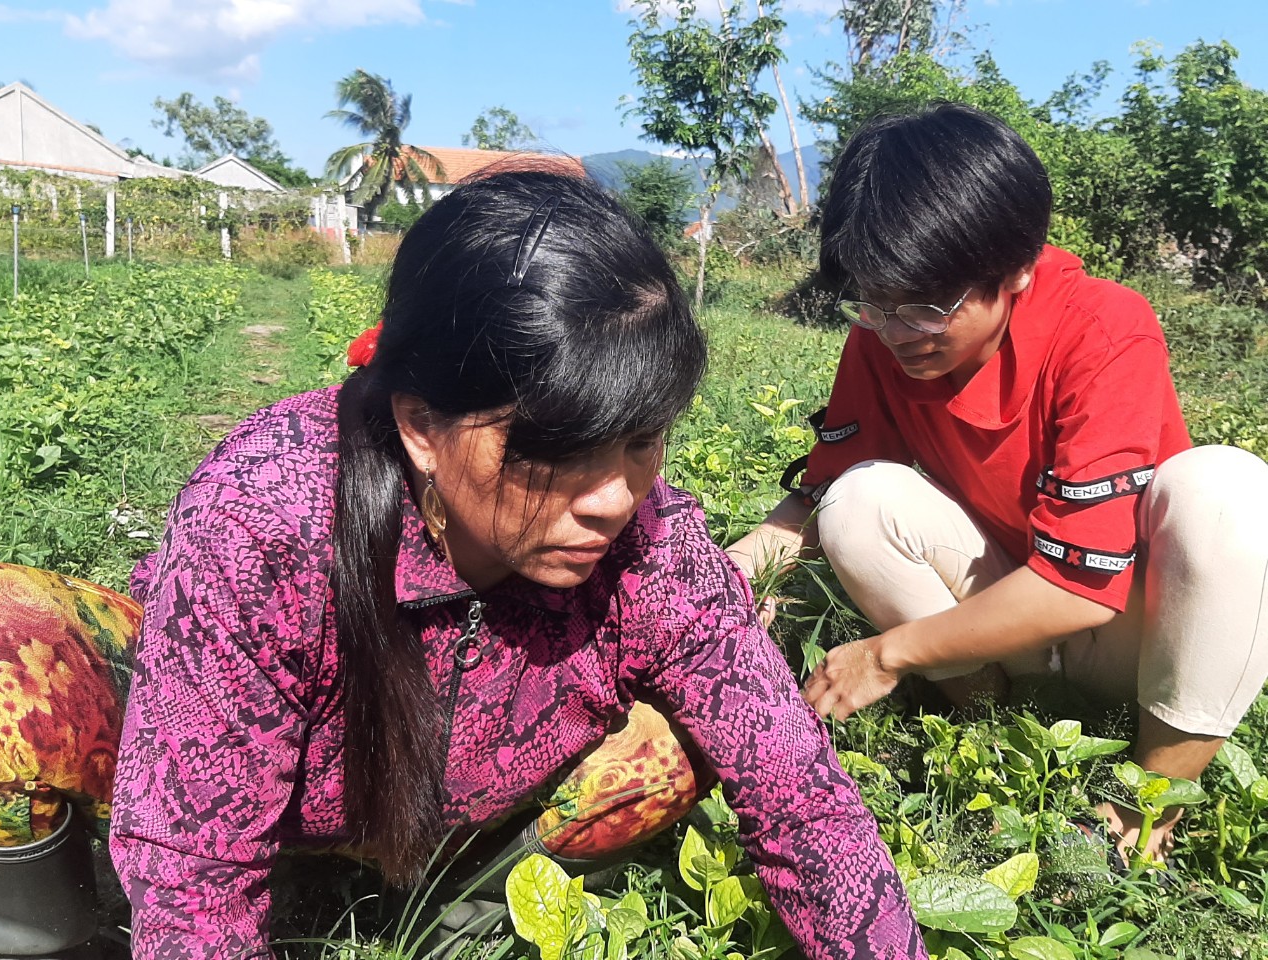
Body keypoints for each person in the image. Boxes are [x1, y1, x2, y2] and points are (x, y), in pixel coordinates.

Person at [107, 169, 926, 959]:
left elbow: (801, 795)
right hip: (257, 784)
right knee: (13, 663)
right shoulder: (265, 522)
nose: (612, 499)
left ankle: (472, 898)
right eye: (556, 452)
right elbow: (194, 869)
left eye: (642, 441)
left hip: (467, 811)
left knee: (699, 734)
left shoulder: (653, 545)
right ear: (423, 427)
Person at [727, 103, 1268, 867]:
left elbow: (1083, 585)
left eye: (927, 307)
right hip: (1011, 611)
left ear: (1018, 268)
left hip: (1131, 634)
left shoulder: (1103, 328)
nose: (896, 330)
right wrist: (717, 582)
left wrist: (887, 655)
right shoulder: (882, 335)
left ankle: (1145, 804)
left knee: (1228, 490)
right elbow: (821, 496)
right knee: (858, 501)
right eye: (874, 300)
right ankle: (989, 723)